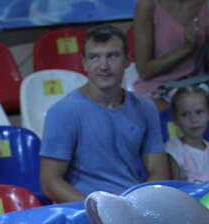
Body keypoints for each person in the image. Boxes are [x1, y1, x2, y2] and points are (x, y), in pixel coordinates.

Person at [40, 24, 170, 203]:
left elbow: (159, 171)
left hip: (132, 207)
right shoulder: (63, 112)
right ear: (84, 63)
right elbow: (50, 183)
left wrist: (133, 205)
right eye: (94, 57)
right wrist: (99, 209)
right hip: (83, 212)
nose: (103, 66)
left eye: (112, 56)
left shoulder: (145, 107)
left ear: (126, 60)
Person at [133, 0, 209, 105]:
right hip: (159, 88)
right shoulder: (147, 5)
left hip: (198, 86)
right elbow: (144, 71)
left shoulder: (205, 5)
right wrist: (187, 48)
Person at [166, 85, 209, 181]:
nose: (194, 119)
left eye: (199, 112)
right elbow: (174, 187)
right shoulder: (174, 149)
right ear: (175, 119)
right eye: (185, 114)